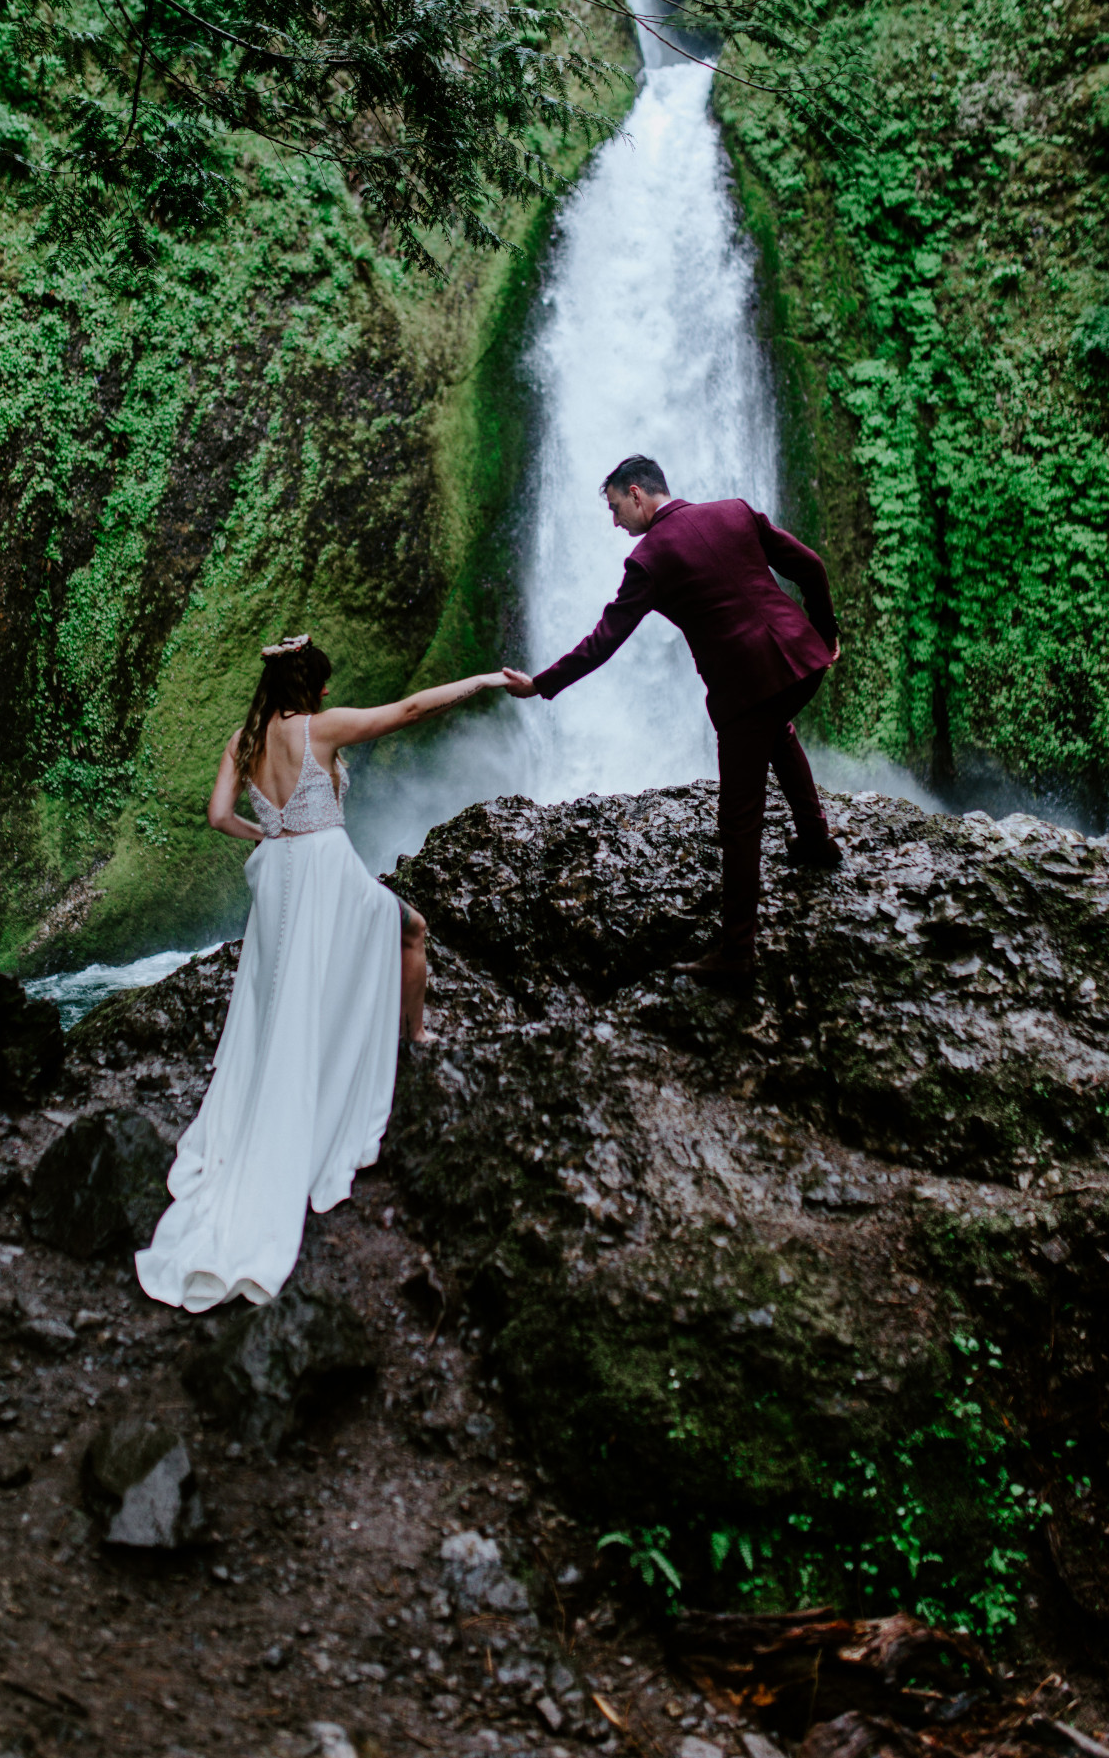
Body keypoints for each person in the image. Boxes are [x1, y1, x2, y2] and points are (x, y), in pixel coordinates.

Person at [135, 635, 509, 1311]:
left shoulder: (243, 739)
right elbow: (413, 709)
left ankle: (320, 1058)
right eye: (324, 686)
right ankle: (416, 1037)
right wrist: (482, 680)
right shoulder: (319, 727)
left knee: (286, 987)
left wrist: (271, 838)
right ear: (311, 689)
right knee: (412, 928)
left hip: (278, 876)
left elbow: (220, 816)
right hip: (327, 869)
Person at [504, 456, 842, 981]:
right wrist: (825, 632)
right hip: (803, 660)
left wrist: (540, 684)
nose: (615, 523)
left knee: (738, 819)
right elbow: (812, 567)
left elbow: (604, 642)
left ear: (637, 494)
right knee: (778, 730)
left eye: (615, 508)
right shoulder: (733, 510)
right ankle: (816, 841)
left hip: (747, 688)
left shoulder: (649, 559)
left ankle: (737, 956)